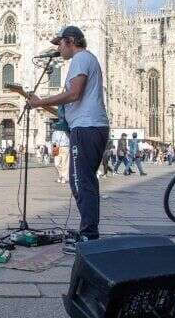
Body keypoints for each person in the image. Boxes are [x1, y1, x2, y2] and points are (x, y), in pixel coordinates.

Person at [28, 25, 109, 252]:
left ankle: (89, 236)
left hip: (87, 128)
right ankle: (88, 231)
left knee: (81, 182)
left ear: (71, 41)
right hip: (88, 127)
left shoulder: (81, 58)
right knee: (83, 181)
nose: (58, 48)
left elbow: (74, 94)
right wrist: (46, 107)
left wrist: (41, 101)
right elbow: (73, 103)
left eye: (59, 44)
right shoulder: (84, 60)